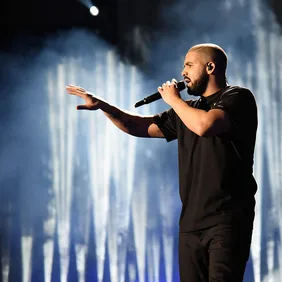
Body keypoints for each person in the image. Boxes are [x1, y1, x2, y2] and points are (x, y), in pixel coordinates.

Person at [66, 43, 258, 282]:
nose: (183, 72)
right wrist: (103, 106)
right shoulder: (188, 109)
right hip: (191, 221)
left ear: (210, 67)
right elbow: (138, 125)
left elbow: (205, 126)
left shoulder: (237, 97)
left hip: (227, 219)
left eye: (189, 65)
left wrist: (175, 101)